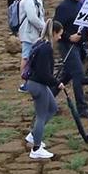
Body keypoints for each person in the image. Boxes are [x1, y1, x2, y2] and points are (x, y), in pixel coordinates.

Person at [20, 30, 61, 160]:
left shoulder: (40, 43)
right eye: (59, 34)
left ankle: (33, 136)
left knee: (53, 108)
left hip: (37, 83)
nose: (60, 37)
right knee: (41, 116)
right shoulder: (46, 48)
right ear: (53, 33)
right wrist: (56, 83)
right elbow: (44, 74)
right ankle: (36, 148)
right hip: (38, 85)